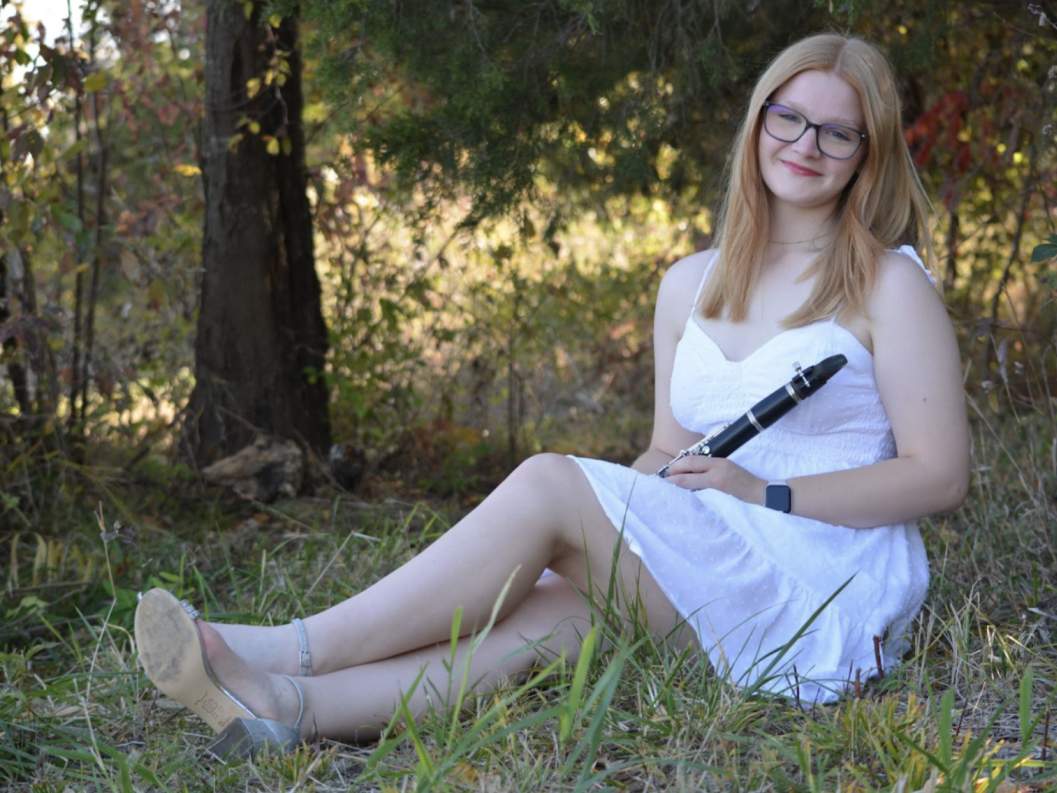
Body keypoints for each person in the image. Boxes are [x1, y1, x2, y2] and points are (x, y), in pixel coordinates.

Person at [134, 31, 969, 757]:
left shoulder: (890, 287)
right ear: (758, 124)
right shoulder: (688, 284)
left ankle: (291, 647)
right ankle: (290, 707)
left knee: (549, 482)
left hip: (811, 588)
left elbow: (939, 476)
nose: (806, 143)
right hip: (707, 558)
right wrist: (637, 500)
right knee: (555, 614)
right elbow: (663, 446)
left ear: (870, 152)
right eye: (788, 118)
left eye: (837, 132)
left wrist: (763, 489)